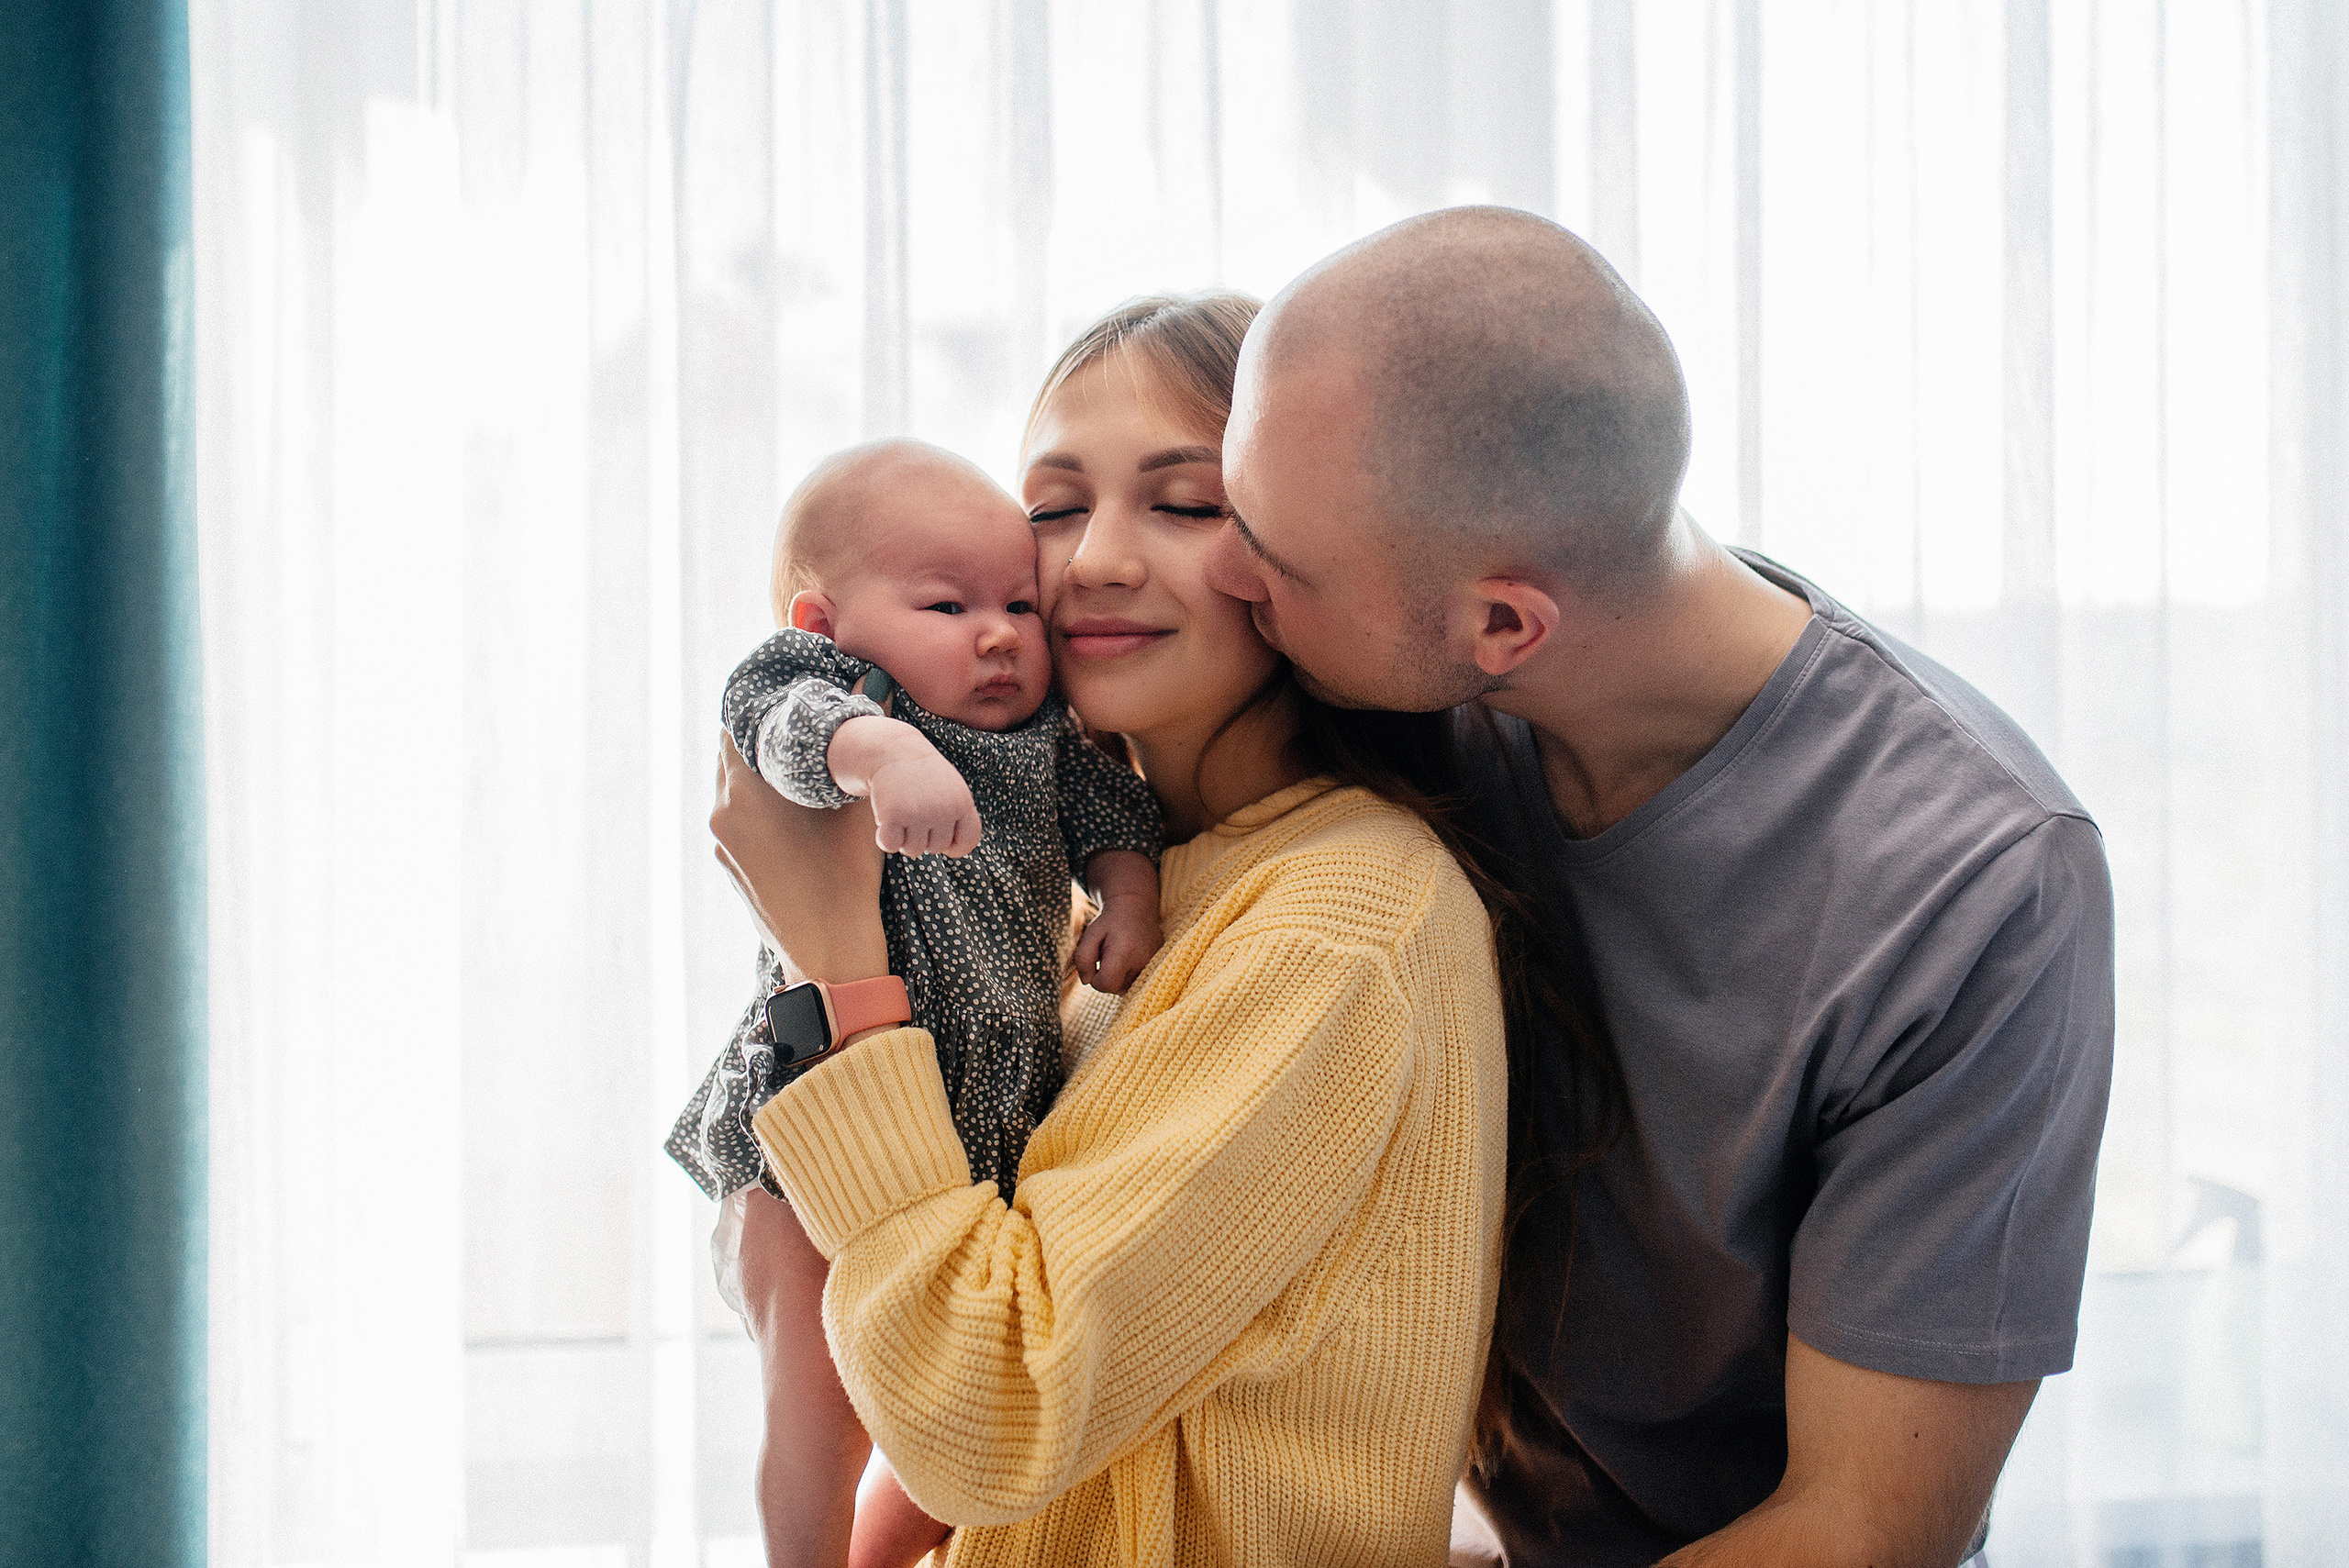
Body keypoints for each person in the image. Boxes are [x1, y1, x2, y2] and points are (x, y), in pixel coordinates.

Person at [1206, 206, 2118, 1565]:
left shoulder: (1976, 884)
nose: (1223, 575)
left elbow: (1865, 1528)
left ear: (1504, 626)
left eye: (1271, 560)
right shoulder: (1408, 665)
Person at [714, 293, 1516, 1566]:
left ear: (1301, 546)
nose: (1092, 560)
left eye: (1187, 502)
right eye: (1054, 507)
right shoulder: (1129, 896)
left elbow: (988, 1414)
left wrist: (840, 974)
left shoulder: (1338, 922)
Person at [665, 438, 1166, 1566]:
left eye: (1019, 607)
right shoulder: (834, 696)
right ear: (825, 619)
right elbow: (769, 722)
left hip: (982, 1127)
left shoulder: (1043, 744)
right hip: (811, 1131)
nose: (996, 634)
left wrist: (1126, 895)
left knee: (941, 1416)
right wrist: (876, 749)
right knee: (821, 1399)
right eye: (946, 603)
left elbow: (1115, 813)